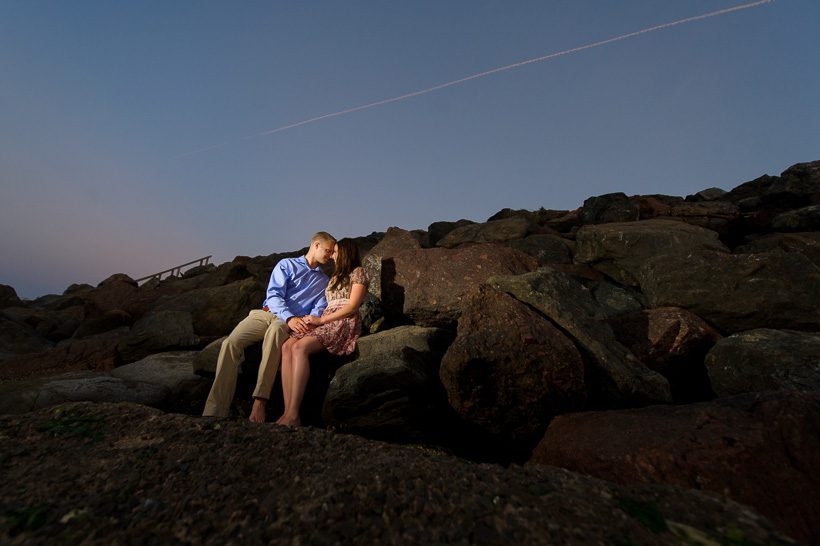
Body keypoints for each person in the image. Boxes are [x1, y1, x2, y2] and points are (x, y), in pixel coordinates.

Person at [202, 232, 337, 422]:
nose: (330, 255)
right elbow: (273, 295)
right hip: (266, 313)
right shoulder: (286, 264)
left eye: (332, 252)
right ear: (315, 245)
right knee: (230, 343)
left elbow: (318, 309)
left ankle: (260, 402)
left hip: (287, 322)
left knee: (274, 333)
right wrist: (289, 317)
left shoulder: (323, 281)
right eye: (328, 250)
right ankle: (214, 410)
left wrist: (305, 321)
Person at [276, 238, 368, 426]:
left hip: (342, 320)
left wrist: (322, 320)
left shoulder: (358, 272)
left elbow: (352, 306)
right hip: (325, 318)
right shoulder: (335, 277)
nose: (332, 256)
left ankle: (294, 413)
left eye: (335, 252)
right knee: (287, 347)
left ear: (345, 253)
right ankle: (286, 411)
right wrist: (313, 319)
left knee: (300, 348)